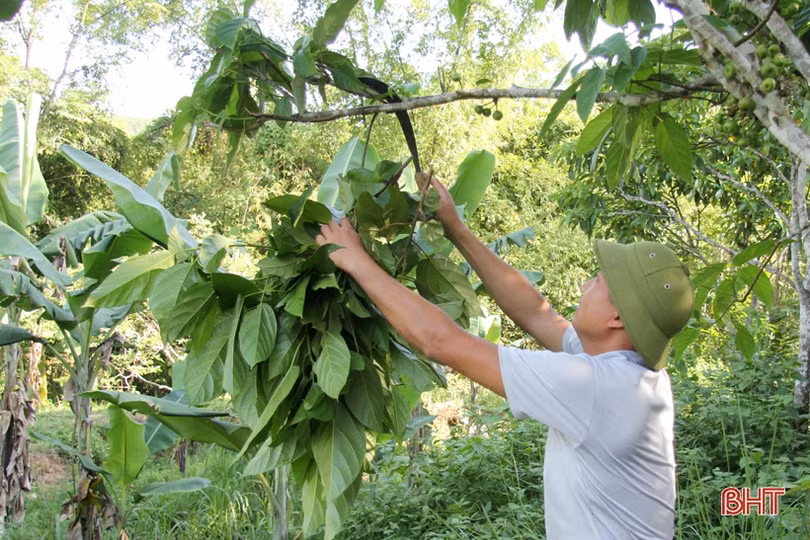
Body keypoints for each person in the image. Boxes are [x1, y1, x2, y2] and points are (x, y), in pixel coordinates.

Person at [315, 173, 694, 539]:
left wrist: (357, 260)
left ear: (617, 317)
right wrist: (457, 231)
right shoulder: (631, 372)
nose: (584, 283)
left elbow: (440, 342)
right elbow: (535, 313)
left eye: (597, 281)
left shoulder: (596, 388)